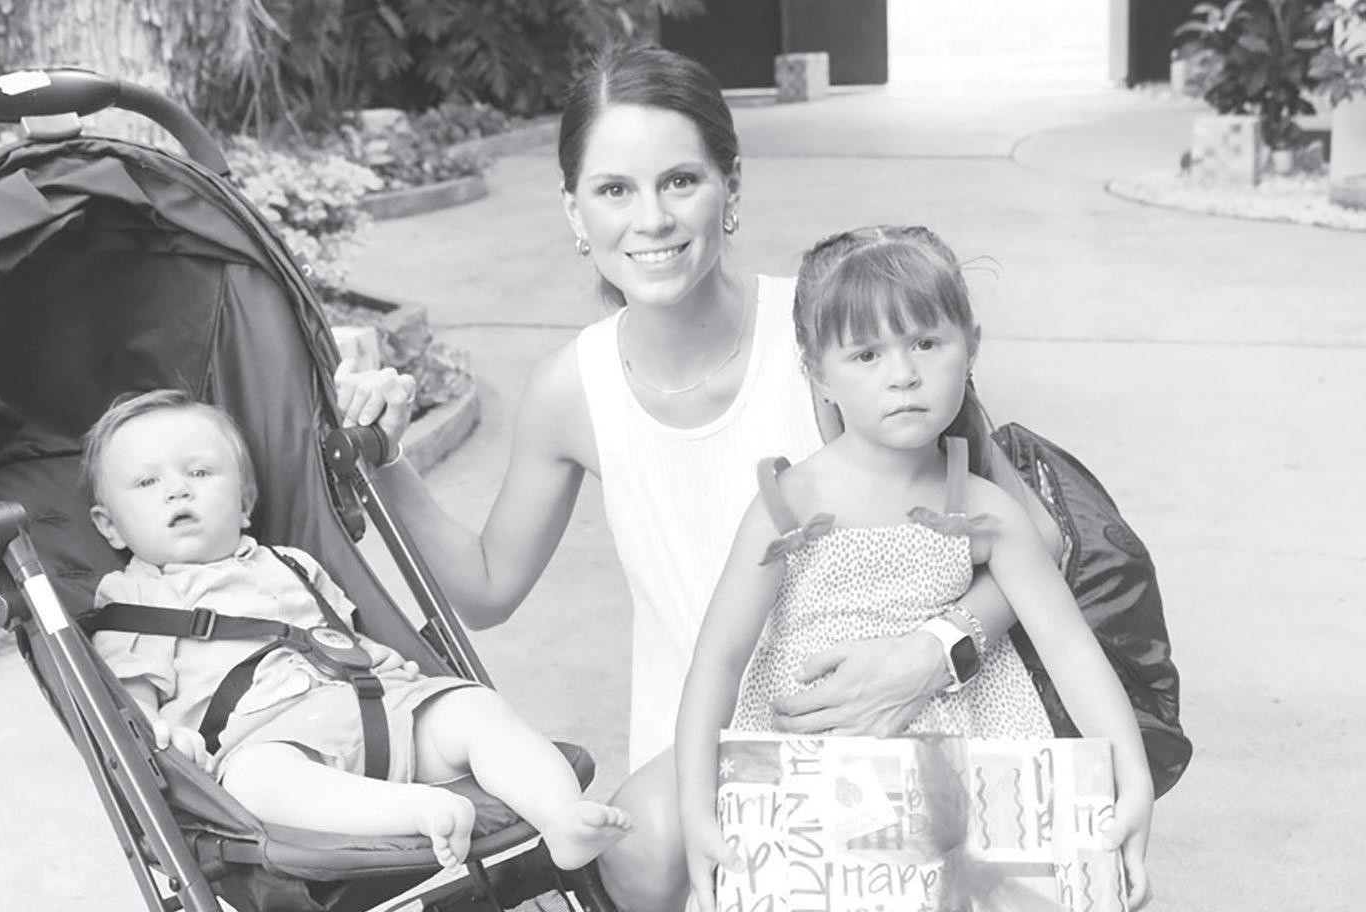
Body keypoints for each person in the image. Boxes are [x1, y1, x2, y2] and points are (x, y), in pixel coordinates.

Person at [332, 45, 1065, 911]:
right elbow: (488, 588)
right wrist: (389, 462)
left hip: (903, 712)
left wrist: (930, 654)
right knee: (642, 847)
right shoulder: (572, 388)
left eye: (680, 181)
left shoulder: (830, 335)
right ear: (574, 211)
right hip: (707, 744)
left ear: (731, 188)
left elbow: (1033, 537)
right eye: (614, 190)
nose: (651, 219)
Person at [675, 226, 1153, 911]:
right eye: (866, 353)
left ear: (971, 345)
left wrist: (1131, 779)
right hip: (814, 781)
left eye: (926, 343)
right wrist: (697, 807)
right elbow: (717, 662)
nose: (901, 374)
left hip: (968, 772)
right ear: (818, 374)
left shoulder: (983, 508)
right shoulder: (788, 505)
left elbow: (1071, 650)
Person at [81, 389, 632, 870]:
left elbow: (344, 635)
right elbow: (133, 706)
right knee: (254, 783)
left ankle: (562, 817)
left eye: (199, 473)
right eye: (147, 482)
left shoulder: (293, 562)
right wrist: (167, 737)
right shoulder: (134, 598)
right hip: (270, 741)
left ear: (245, 503)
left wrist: (403, 682)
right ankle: (415, 810)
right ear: (110, 527)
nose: (177, 490)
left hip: (378, 709)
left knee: (472, 707)